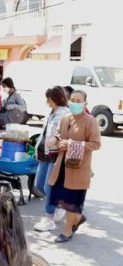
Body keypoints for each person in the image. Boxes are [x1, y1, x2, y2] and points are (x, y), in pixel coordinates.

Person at [49, 90, 101, 243]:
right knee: (62, 199)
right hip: (62, 167)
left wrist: (72, 145)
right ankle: (77, 218)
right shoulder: (65, 118)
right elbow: (60, 135)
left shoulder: (90, 121)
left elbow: (96, 144)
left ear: (85, 103)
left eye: (79, 101)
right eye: (73, 100)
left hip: (78, 169)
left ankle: (67, 231)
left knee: (72, 203)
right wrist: (57, 141)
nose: (75, 103)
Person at [34, 86, 70, 232]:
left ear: (52, 99)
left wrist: (56, 139)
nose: (46, 101)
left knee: (50, 187)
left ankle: (49, 218)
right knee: (39, 185)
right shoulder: (51, 112)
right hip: (44, 152)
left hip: (55, 154)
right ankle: (59, 204)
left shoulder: (65, 114)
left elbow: (66, 132)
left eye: (47, 98)